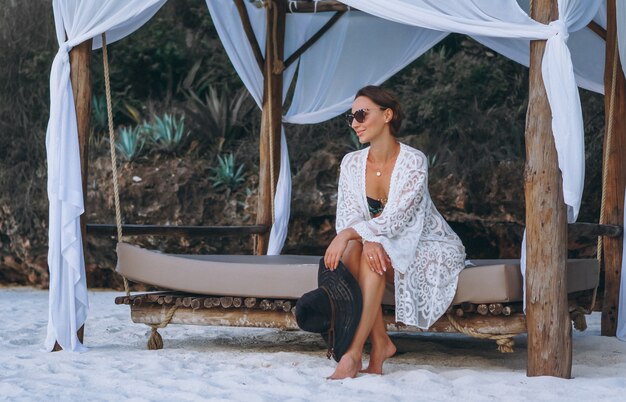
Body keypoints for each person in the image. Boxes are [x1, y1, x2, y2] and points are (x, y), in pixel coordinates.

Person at [323, 85, 466, 380]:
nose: (355, 123)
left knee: (364, 249)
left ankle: (353, 352)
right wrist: (362, 238)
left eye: (361, 114)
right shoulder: (351, 163)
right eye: (351, 117)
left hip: (426, 245)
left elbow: (398, 221)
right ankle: (380, 344)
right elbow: (349, 213)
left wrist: (357, 236)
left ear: (387, 115)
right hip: (381, 242)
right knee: (358, 251)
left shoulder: (414, 161)